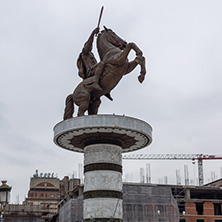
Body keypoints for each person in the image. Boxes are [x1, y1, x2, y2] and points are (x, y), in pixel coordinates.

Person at [77, 27, 104, 91]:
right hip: (90, 71)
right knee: (101, 64)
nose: (90, 46)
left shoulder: (91, 54)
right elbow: (89, 44)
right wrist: (93, 33)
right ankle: (95, 83)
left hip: (94, 69)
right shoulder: (85, 53)